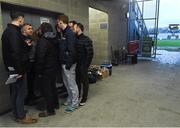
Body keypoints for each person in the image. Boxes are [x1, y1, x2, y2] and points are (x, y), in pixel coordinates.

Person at [1, 11, 37, 124]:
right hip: (18, 69)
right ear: (20, 19)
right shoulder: (14, 33)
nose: (23, 21)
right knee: (20, 92)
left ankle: (17, 112)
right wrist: (20, 70)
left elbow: (13, 51)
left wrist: (26, 46)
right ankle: (21, 116)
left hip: (12, 68)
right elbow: (15, 54)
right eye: (23, 19)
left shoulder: (7, 32)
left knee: (15, 92)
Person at [35, 22, 59, 117]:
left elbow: (40, 58)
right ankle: (55, 104)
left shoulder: (43, 41)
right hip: (53, 68)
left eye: (40, 29)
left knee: (47, 90)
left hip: (46, 69)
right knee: (53, 87)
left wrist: (39, 71)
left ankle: (50, 110)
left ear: (43, 30)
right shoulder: (54, 39)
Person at [57, 15, 79, 113]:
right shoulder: (64, 32)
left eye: (58, 22)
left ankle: (75, 103)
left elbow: (72, 50)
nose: (57, 24)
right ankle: (70, 99)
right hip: (64, 63)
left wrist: (69, 64)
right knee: (66, 83)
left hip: (68, 64)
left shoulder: (69, 33)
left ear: (61, 22)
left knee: (71, 84)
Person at [75, 23, 94, 106]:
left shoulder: (87, 39)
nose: (73, 29)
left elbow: (90, 53)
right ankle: (78, 95)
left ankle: (84, 98)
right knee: (77, 80)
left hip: (83, 64)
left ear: (78, 28)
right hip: (77, 64)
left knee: (85, 81)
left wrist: (86, 65)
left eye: (74, 28)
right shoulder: (75, 39)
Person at [21, 23, 37, 105]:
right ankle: (27, 99)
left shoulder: (32, 38)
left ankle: (32, 96)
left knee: (32, 82)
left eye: (31, 28)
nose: (31, 30)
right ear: (24, 30)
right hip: (27, 64)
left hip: (33, 63)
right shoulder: (21, 39)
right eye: (29, 29)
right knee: (27, 82)